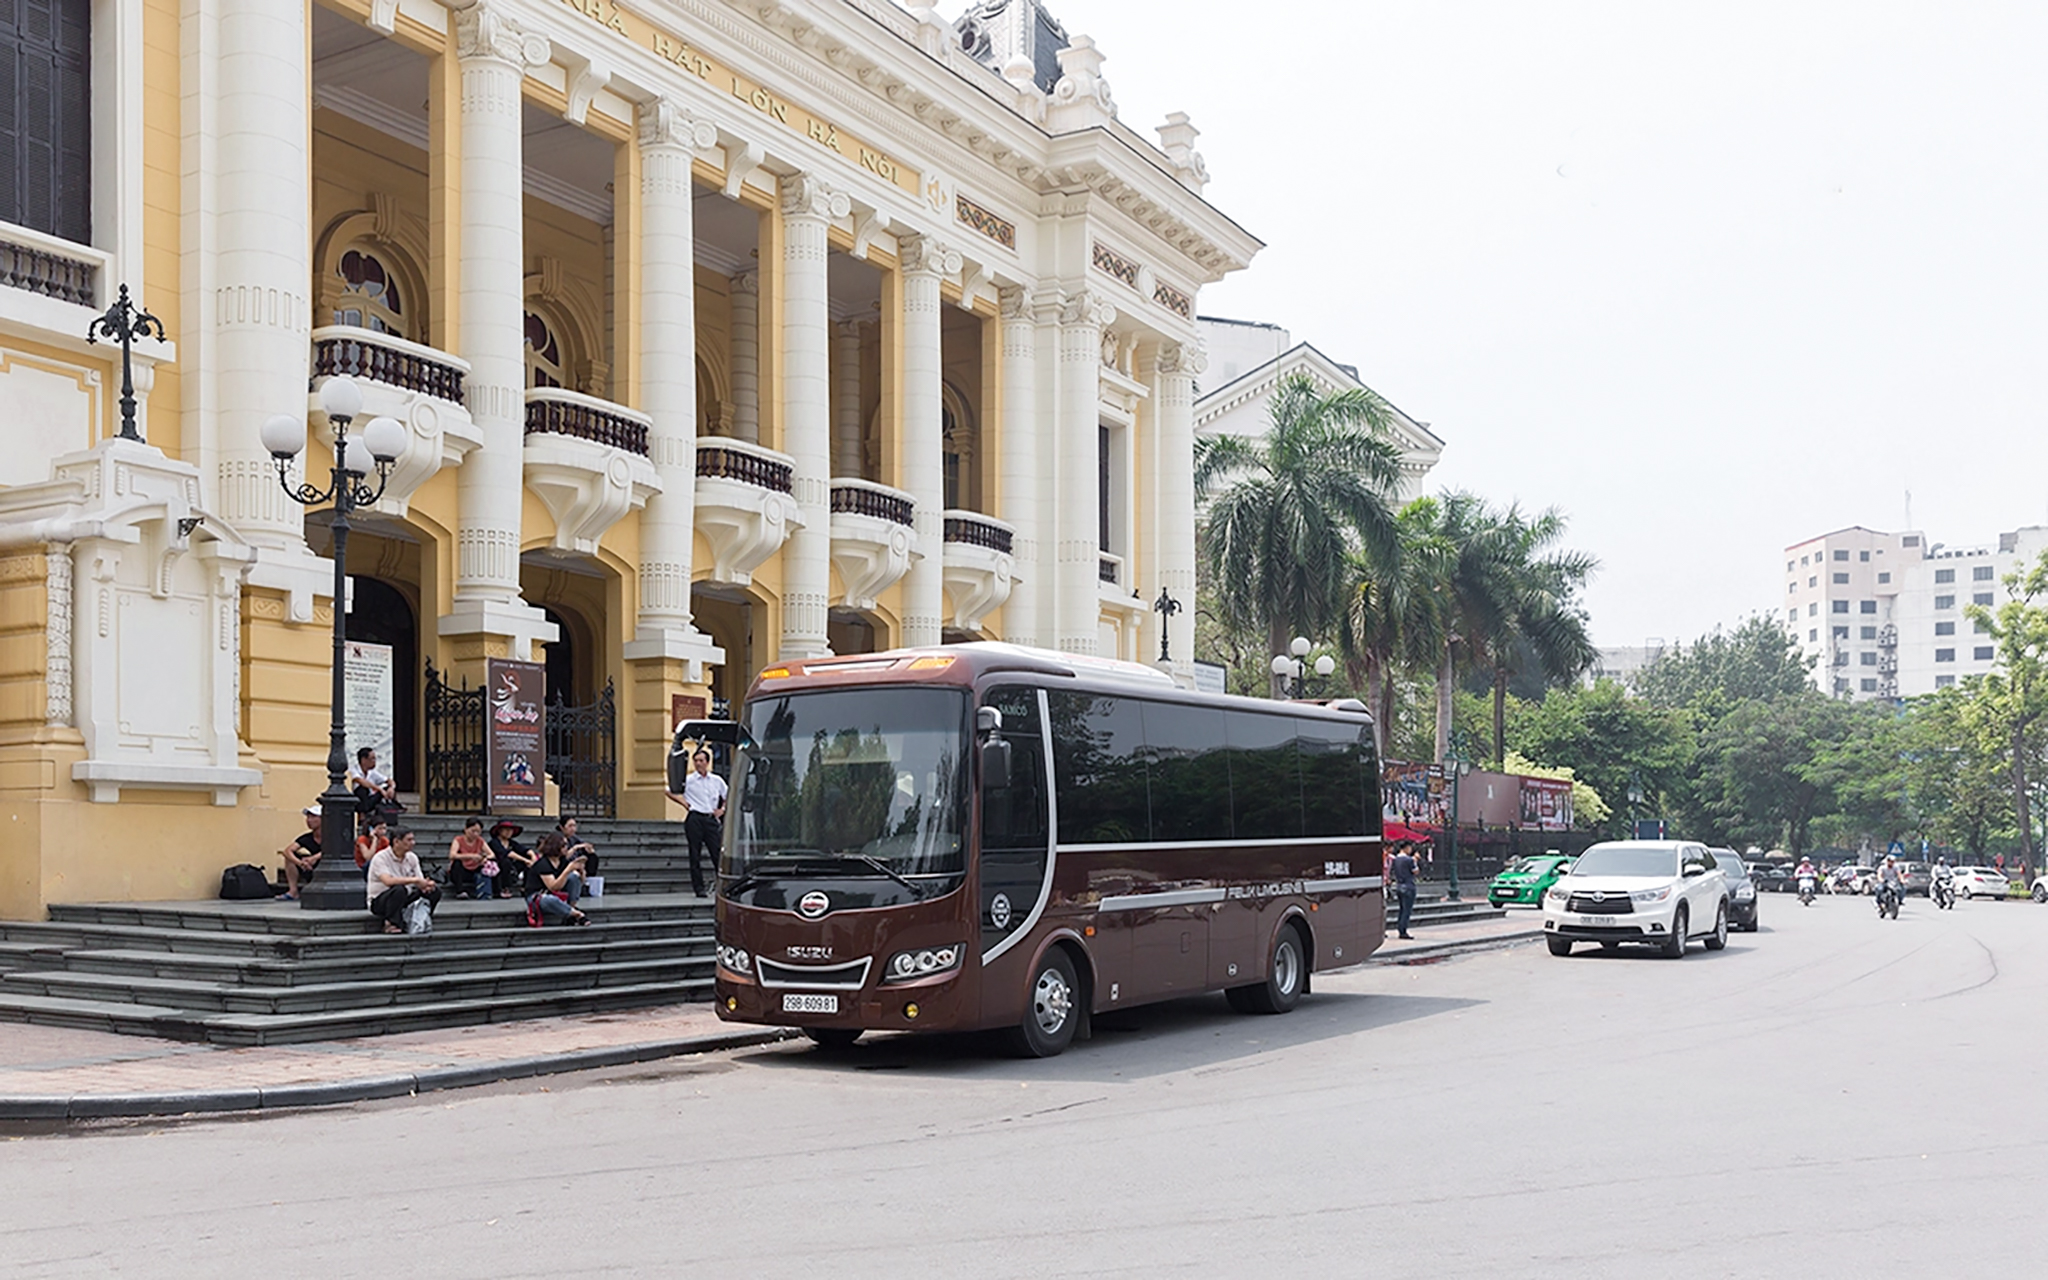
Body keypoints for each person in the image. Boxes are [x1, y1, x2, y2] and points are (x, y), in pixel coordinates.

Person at [668, 748, 727, 897]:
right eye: (696, 761)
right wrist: (684, 803)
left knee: (717, 853)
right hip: (695, 817)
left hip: (710, 818)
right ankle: (699, 888)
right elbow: (669, 790)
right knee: (695, 854)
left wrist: (722, 809)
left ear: (707, 762)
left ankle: (723, 886)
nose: (698, 763)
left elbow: (727, 794)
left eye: (701, 760)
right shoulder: (688, 780)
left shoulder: (716, 780)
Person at [366, 826, 440, 934]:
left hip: (405, 896)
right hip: (381, 900)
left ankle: (420, 919)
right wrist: (414, 880)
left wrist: (426, 885)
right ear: (396, 842)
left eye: (413, 839)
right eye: (409, 840)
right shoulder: (380, 858)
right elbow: (388, 881)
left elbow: (419, 880)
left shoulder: (412, 857)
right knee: (399, 890)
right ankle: (391, 923)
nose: (413, 843)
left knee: (434, 891)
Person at [522, 831, 590, 926]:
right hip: (537, 896)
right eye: (564, 845)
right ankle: (577, 914)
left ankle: (571, 908)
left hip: (555, 894)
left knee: (574, 877)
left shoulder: (562, 861)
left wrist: (581, 871)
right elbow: (553, 887)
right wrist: (567, 870)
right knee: (549, 900)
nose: (567, 847)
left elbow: (581, 882)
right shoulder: (543, 864)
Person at [277, 804, 324, 900]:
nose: (309, 820)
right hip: (311, 868)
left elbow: (334, 849)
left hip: (327, 869)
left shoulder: (332, 836)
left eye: (313, 817)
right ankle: (293, 891)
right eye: (308, 817)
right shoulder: (307, 838)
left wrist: (314, 858)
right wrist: (301, 863)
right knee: (289, 858)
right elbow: (288, 851)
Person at [445, 816, 496, 900]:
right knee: (457, 863)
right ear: (466, 829)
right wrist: (471, 856)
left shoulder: (480, 841)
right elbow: (452, 855)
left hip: (475, 869)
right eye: (473, 831)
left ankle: (489, 891)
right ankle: (460, 891)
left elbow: (491, 854)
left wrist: (484, 858)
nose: (475, 834)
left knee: (490, 864)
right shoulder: (458, 840)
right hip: (462, 870)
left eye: (478, 832)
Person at [487, 819, 533, 899]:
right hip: (498, 867)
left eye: (510, 830)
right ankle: (504, 888)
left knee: (528, 861)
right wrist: (525, 860)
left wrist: (532, 856)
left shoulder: (511, 843)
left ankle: (525, 887)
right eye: (506, 830)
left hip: (511, 866)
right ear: (500, 831)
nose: (509, 832)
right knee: (506, 862)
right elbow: (507, 853)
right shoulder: (495, 842)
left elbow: (524, 849)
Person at [347, 746, 399, 815]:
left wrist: (391, 788)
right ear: (364, 760)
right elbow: (362, 782)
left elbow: (389, 780)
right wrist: (379, 789)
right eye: (372, 759)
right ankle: (362, 814)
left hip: (370, 800)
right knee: (362, 790)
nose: (374, 761)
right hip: (358, 801)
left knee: (387, 789)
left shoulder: (372, 772)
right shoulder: (354, 770)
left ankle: (391, 810)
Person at [1389, 841, 1418, 940]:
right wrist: (1415, 860)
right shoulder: (1409, 860)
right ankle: (1403, 930)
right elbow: (1415, 871)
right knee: (1407, 910)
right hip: (1408, 886)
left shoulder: (1396, 859)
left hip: (1399, 885)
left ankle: (1400, 928)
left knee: (1402, 909)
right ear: (1406, 848)